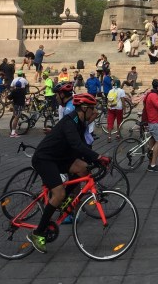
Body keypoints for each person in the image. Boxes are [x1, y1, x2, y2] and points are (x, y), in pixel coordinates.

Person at [28, 93, 109, 253]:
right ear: (84, 108)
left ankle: (65, 201)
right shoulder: (70, 122)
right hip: (45, 158)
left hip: (60, 157)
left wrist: (94, 161)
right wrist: (98, 156)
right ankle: (37, 233)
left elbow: (80, 149)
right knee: (58, 194)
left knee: (82, 168)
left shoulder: (80, 122)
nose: (95, 113)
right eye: (92, 109)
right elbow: (77, 145)